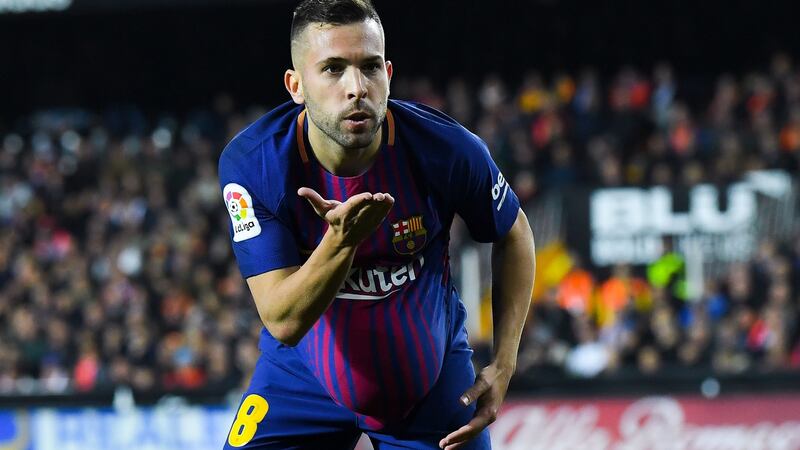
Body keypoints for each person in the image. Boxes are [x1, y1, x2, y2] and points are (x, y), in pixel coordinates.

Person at [217, 1, 535, 448]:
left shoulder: (446, 148)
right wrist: (342, 242)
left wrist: (504, 364)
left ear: (388, 73)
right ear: (296, 85)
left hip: (431, 384)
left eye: (369, 68)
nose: (356, 88)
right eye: (332, 69)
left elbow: (514, 231)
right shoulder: (254, 164)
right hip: (300, 378)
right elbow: (283, 320)